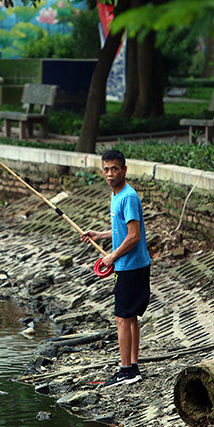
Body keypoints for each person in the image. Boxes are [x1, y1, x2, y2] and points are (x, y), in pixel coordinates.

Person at [81, 150, 151, 387]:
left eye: (114, 169)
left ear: (124, 170)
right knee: (129, 318)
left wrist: (111, 257)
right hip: (130, 265)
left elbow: (134, 236)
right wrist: (99, 235)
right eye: (106, 169)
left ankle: (125, 371)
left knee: (122, 318)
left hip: (132, 266)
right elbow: (122, 230)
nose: (110, 174)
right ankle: (133, 368)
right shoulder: (116, 195)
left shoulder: (128, 197)